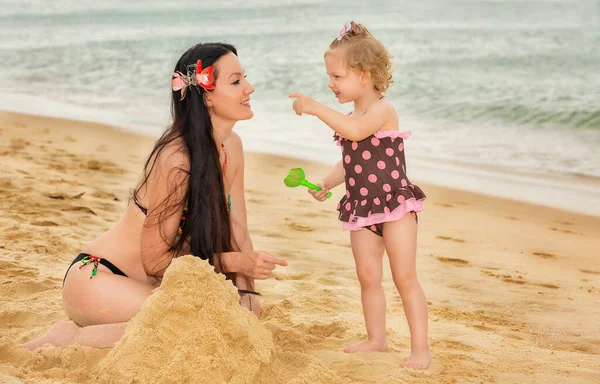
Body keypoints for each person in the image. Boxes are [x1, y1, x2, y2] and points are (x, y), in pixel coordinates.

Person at [23, 42, 288, 350]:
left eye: (245, 77)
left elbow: (237, 228)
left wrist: (247, 294)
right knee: (188, 326)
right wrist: (237, 263)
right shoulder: (177, 159)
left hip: (151, 286)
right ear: (207, 98)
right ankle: (69, 338)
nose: (249, 88)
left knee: (231, 320)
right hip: (102, 278)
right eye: (236, 81)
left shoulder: (233, 148)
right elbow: (156, 261)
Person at [289, 22, 430, 370]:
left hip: (395, 208)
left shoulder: (382, 110)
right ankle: (376, 338)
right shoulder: (352, 116)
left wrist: (316, 107)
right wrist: (326, 183)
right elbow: (350, 160)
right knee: (368, 276)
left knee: (404, 278)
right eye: (330, 77)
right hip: (362, 209)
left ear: (364, 76)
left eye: (337, 77)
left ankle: (420, 348)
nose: (330, 84)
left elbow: (354, 132)